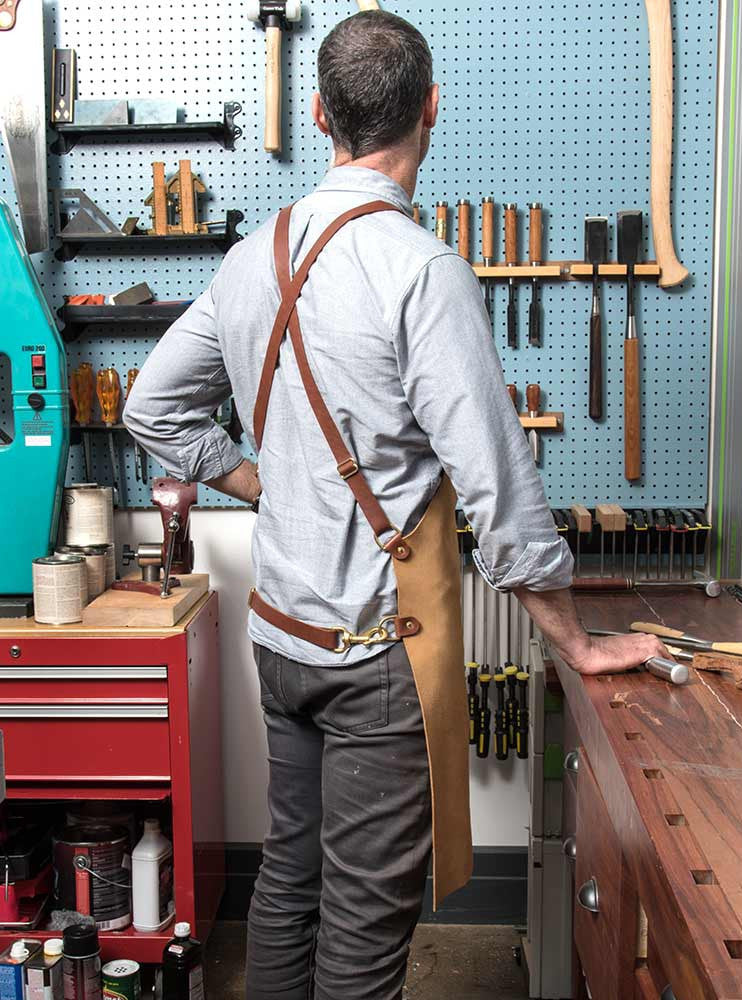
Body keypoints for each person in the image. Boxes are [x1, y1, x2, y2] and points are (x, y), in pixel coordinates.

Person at [123, 10, 662, 999]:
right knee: (367, 919)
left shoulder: (254, 257)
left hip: (281, 642)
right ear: (431, 109)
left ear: (321, 113)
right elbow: (499, 491)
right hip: (376, 655)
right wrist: (575, 641)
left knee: (288, 881)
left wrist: (251, 479)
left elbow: (150, 405)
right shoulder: (422, 271)